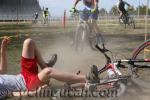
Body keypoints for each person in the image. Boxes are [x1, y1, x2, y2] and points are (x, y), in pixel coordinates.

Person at [0, 37, 88, 99]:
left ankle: (45, 66)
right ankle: (87, 78)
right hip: (29, 85)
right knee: (48, 71)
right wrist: (33, 93)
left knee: (29, 42)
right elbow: (11, 94)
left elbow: (2, 70)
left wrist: (3, 50)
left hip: (24, 74)